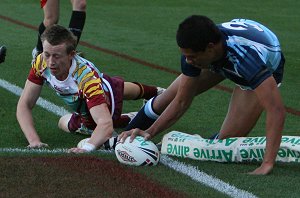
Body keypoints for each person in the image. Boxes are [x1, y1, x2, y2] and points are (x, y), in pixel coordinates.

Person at [119, 15, 286, 175]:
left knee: (224, 143)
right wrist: (150, 131)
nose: (188, 61)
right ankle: (126, 132)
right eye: (185, 55)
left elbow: (276, 110)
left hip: (262, 62)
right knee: (169, 95)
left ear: (210, 48)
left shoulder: (246, 59)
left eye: (192, 57)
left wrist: (267, 163)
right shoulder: (198, 53)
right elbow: (181, 101)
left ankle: (200, 142)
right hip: (225, 53)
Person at [17, 24, 163, 153]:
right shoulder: (40, 62)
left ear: (71, 55)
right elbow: (24, 104)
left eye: (56, 56)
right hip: (82, 102)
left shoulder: (86, 78)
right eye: (47, 54)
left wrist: (86, 148)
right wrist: (34, 141)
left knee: (111, 97)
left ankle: (157, 93)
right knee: (63, 122)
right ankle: (132, 115)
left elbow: (105, 125)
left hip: (102, 92)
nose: (50, 62)